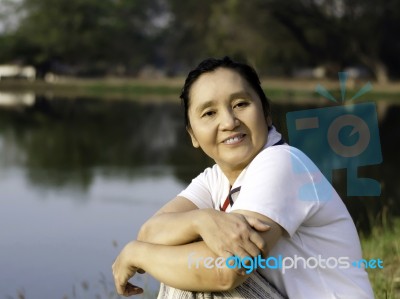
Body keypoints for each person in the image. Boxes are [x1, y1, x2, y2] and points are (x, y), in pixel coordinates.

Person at [112, 57, 374, 298]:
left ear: (266, 113)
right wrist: (200, 220)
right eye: (209, 113)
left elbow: (227, 273)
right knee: (180, 258)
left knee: (194, 271)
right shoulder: (215, 179)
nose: (229, 121)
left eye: (240, 104)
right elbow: (150, 233)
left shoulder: (282, 162)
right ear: (192, 134)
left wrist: (136, 254)